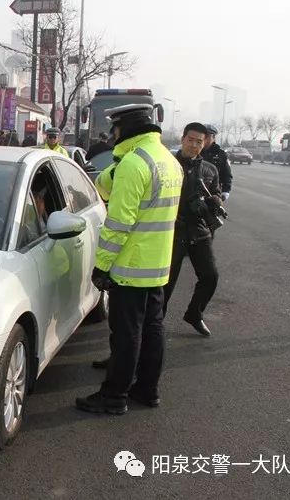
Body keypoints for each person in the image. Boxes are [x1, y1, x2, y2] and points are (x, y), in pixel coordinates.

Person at [75, 104, 183, 414]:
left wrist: (102, 267)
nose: (111, 136)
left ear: (127, 129)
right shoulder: (167, 160)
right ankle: (147, 391)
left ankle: (113, 396)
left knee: (126, 336)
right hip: (158, 264)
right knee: (152, 330)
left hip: (131, 267)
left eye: (115, 129)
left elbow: (118, 224)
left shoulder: (134, 165)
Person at [163, 122, 224, 336]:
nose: (194, 145)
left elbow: (216, 193)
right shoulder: (168, 165)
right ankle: (153, 326)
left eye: (199, 142)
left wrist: (213, 201)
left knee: (210, 277)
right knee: (165, 285)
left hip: (199, 232)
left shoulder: (210, 169)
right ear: (182, 139)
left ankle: (194, 314)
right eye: (191, 140)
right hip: (172, 232)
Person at [202, 124, 233, 201]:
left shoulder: (220, 154)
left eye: (207, 136)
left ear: (213, 138)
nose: (204, 138)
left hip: (212, 192)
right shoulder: (195, 150)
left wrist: (226, 191)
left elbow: (226, 174)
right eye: (203, 136)